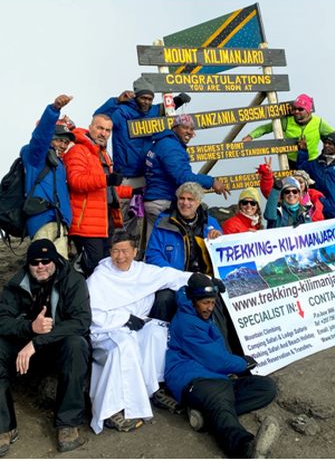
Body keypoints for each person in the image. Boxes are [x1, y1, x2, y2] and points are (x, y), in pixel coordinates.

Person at [0, 239, 91, 458]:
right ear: (28, 264)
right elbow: (0, 321)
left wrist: (37, 341)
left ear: (55, 260)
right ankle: (2, 429)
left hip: (57, 347)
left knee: (77, 344)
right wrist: (30, 327)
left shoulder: (73, 281)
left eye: (46, 261)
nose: (41, 266)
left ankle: (68, 424)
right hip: (25, 346)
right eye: (35, 262)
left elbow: (81, 322)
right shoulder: (17, 284)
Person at [86, 231, 192, 434]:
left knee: (157, 332)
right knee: (122, 346)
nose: (120, 256)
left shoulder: (142, 271)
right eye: (115, 251)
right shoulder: (100, 277)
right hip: (108, 331)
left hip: (137, 327)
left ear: (135, 252)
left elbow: (171, 276)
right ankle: (110, 411)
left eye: (125, 251)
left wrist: (202, 280)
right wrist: (123, 319)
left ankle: (153, 388)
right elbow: (92, 313)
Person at [165, 273, 279, 458]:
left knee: (265, 387)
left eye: (212, 302)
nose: (210, 307)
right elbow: (215, 360)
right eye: (205, 303)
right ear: (194, 300)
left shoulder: (200, 315)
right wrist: (242, 363)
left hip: (216, 378)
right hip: (193, 378)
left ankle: (206, 416)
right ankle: (245, 448)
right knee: (219, 399)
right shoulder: (186, 322)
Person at [145, 182, 241, 355]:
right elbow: (153, 255)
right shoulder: (164, 222)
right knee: (163, 299)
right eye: (182, 198)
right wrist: (177, 276)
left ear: (198, 202)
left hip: (203, 279)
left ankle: (225, 353)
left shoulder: (210, 222)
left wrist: (217, 239)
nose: (185, 203)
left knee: (218, 298)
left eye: (190, 199)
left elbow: (224, 253)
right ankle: (158, 353)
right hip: (174, 280)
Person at [94, 78, 191, 243]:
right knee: (124, 219)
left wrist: (179, 100)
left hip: (146, 176)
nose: (146, 102)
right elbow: (99, 117)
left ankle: (140, 254)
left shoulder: (152, 111)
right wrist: (116, 100)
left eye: (149, 99)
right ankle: (120, 251)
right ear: (136, 96)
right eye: (143, 98)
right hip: (125, 176)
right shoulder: (121, 112)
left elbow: (164, 108)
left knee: (144, 220)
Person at [144, 113, 230, 244]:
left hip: (155, 199)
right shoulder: (171, 147)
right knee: (164, 245)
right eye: (185, 127)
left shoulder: (162, 143)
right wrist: (212, 182)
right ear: (175, 128)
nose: (189, 132)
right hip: (163, 201)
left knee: (156, 242)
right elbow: (182, 177)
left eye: (191, 129)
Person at [64, 114, 132, 276]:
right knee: (92, 265)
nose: (104, 133)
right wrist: (107, 178)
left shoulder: (102, 154)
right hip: (85, 223)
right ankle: (74, 290)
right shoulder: (78, 150)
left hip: (104, 221)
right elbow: (76, 181)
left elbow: (106, 190)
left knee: (105, 265)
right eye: (100, 128)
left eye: (108, 130)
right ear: (90, 127)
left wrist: (132, 192)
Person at [20, 95, 74, 259]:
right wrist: (54, 110)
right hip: (43, 222)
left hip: (59, 222)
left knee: (59, 270)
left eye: (66, 142)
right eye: (59, 140)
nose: (63, 145)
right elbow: (40, 136)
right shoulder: (36, 156)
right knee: (43, 268)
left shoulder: (58, 164)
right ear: (50, 139)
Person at [243, 93, 335, 169]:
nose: (296, 112)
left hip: (312, 162)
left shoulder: (318, 122)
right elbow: (266, 128)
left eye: (300, 109)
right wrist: (251, 136)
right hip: (290, 162)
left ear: (308, 110)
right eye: (294, 109)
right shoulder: (287, 121)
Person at [257, 157, 325, 222]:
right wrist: (267, 176)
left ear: (306, 185)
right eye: (295, 181)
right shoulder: (287, 196)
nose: (298, 184)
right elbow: (270, 194)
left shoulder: (316, 198)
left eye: (301, 182)